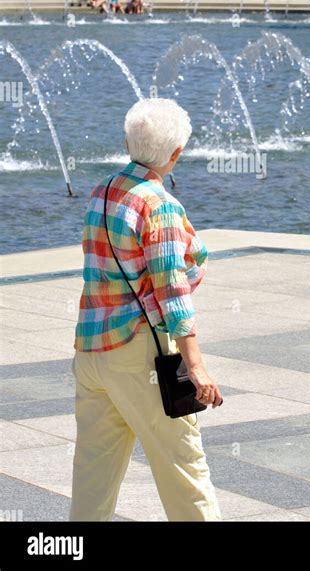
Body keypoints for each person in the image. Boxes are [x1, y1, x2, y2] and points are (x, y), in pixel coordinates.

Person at [69, 97, 223, 522]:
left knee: (92, 476)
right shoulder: (159, 205)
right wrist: (196, 365)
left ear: (127, 140)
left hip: (92, 350)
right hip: (141, 356)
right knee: (184, 469)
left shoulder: (102, 192)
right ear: (176, 154)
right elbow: (172, 289)